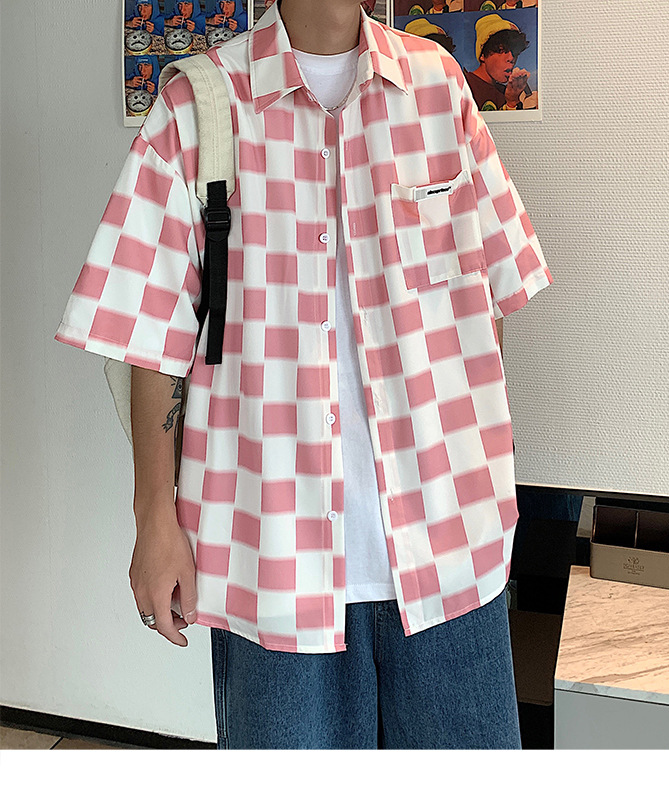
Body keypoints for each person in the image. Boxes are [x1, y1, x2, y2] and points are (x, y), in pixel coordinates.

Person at [55, 0, 553, 749]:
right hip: (269, 560)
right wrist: (155, 519)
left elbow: (488, 294)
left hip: (451, 545)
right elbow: (148, 332)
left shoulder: (438, 85)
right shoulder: (197, 106)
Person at [464, 13, 532, 111]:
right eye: (501, 50)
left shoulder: (506, 92)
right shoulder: (464, 86)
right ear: (482, 55)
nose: (511, 58)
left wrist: (513, 102)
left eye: (515, 52)